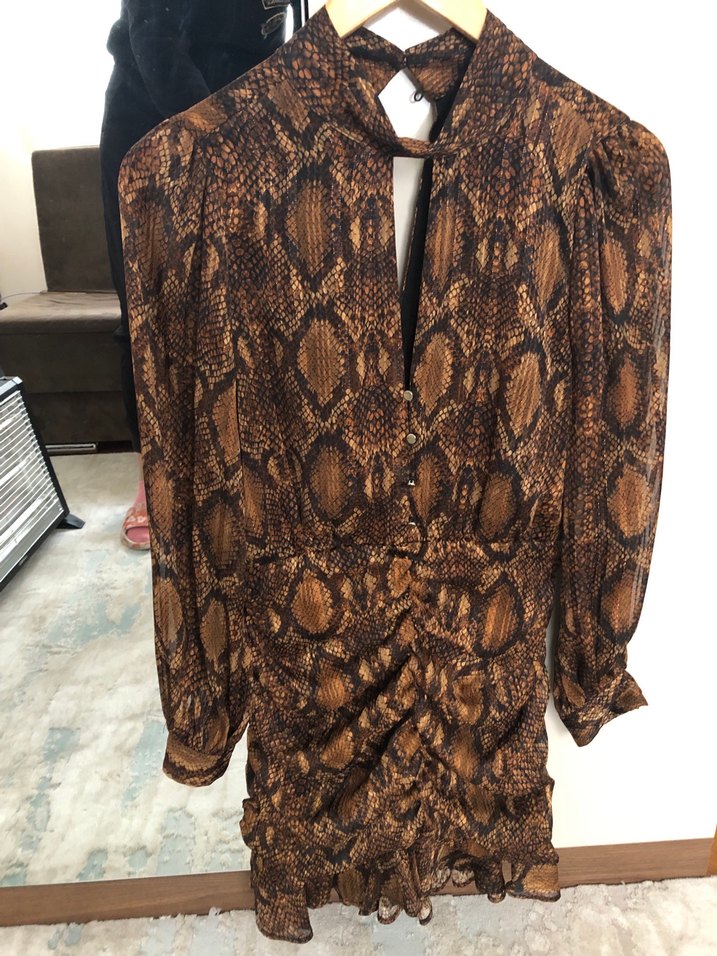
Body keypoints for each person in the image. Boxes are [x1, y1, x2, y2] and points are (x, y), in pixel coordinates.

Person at [99, 0, 304, 549]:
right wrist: (228, 140)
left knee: (257, 303)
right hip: (151, 121)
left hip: (246, 127)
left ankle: (247, 462)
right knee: (145, 313)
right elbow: (155, 43)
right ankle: (153, 476)